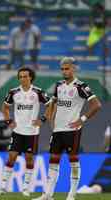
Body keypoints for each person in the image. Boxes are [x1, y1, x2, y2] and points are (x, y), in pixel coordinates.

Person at [33, 57, 102, 200]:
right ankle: (48, 195)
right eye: (62, 69)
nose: (64, 71)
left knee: (73, 161)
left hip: (72, 130)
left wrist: (81, 119)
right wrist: (50, 119)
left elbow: (96, 105)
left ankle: (71, 194)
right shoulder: (59, 85)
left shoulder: (81, 86)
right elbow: (53, 103)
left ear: (74, 69)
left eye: (67, 68)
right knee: (53, 160)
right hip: (58, 130)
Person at [0, 67, 51, 197]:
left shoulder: (38, 92)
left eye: (25, 76)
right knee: (12, 157)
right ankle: (2, 187)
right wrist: (9, 121)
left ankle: (25, 188)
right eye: (20, 76)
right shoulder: (13, 92)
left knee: (29, 159)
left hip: (32, 132)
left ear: (31, 77)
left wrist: (43, 119)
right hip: (18, 131)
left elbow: (50, 105)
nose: (23, 79)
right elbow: (5, 108)